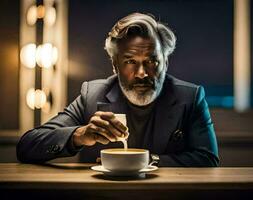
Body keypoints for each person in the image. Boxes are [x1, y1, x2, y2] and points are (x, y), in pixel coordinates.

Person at [17, 13, 219, 167]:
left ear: (165, 62)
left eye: (151, 61)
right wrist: (80, 134)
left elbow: (208, 159)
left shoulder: (190, 97)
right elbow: (27, 146)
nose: (141, 73)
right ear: (115, 65)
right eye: (130, 61)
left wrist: (147, 159)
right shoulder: (92, 95)